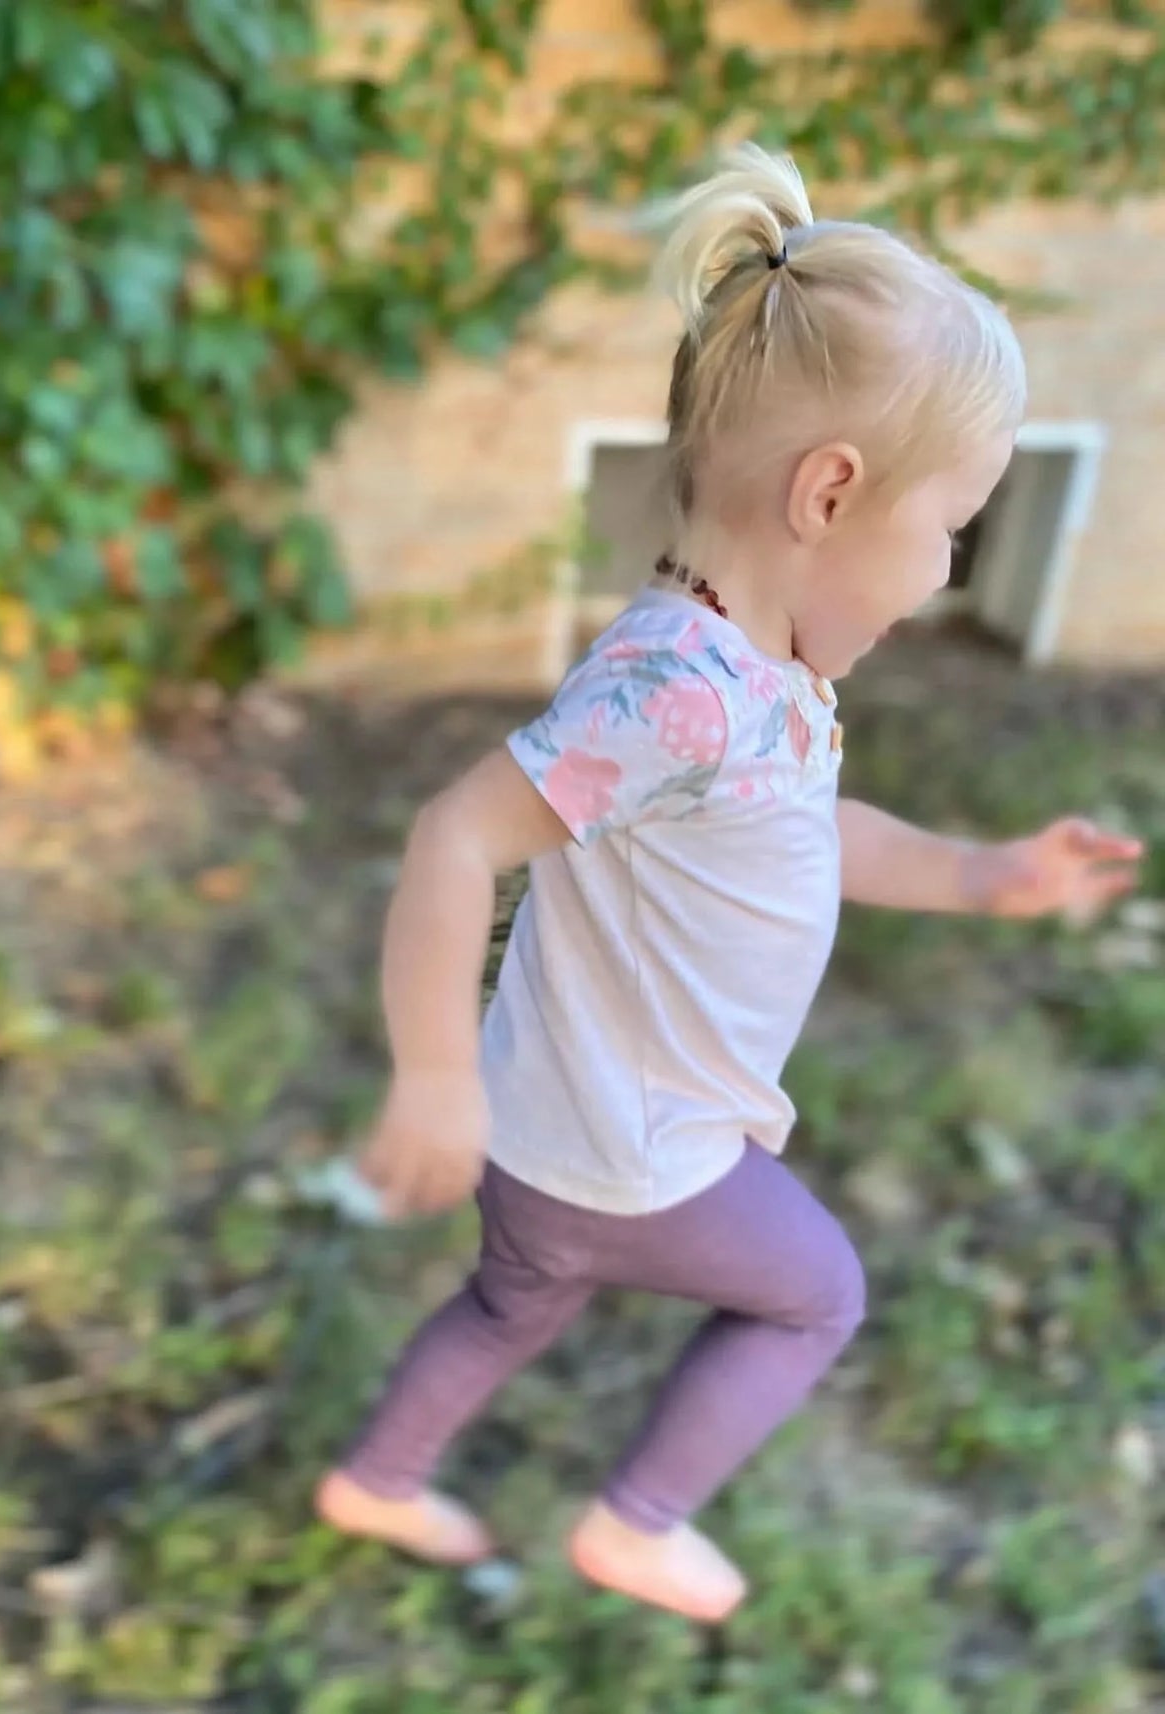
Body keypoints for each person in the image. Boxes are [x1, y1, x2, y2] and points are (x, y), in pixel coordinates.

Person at [315, 148, 1142, 1623]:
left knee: (513, 1299)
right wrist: (430, 1078)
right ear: (830, 492)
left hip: (554, 1135)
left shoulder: (745, 676)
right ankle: (637, 1522)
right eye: (949, 532)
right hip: (635, 1160)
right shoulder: (677, 695)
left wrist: (980, 872)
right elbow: (456, 834)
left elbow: (805, 836)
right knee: (819, 1294)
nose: (941, 576)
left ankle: (378, 1476)